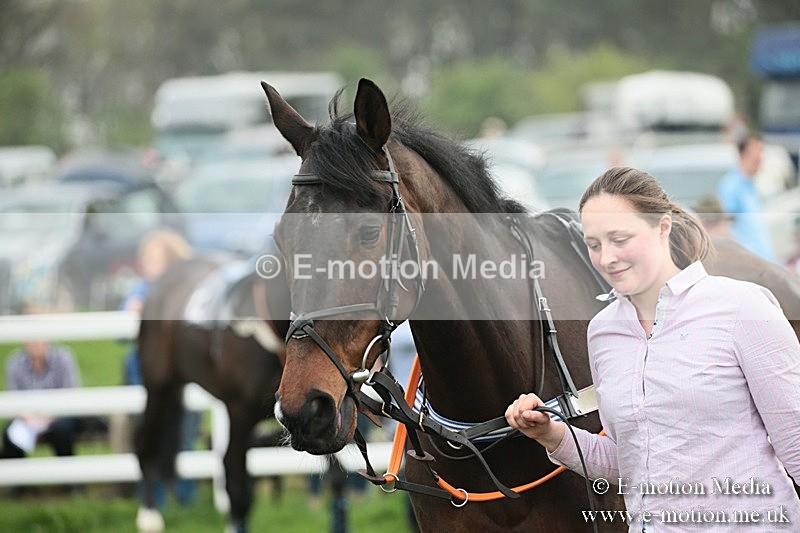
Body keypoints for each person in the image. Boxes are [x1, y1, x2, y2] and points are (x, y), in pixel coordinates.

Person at [506, 166, 800, 532]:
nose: (606, 258)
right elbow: (630, 460)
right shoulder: (602, 332)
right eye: (594, 245)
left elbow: (796, 442)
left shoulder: (742, 308)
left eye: (619, 238)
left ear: (662, 227)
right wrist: (551, 434)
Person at [112, 229, 198, 506]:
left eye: (152, 258)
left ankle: (185, 500)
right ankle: (153, 499)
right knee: (149, 434)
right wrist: (133, 313)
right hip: (143, 377)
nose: (145, 264)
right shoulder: (139, 291)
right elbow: (120, 333)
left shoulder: (185, 292)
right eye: (144, 258)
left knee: (183, 434)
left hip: (182, 376)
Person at [1, 340, 81, 461]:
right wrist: (29, 419)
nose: (35, 345)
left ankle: (70, 477)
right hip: (26, 418)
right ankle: (17, 478)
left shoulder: (63, 357)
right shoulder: (15, 362)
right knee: (10, 435)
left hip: (58, 415)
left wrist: (47, 416)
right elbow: (13, 396)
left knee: (62, 430)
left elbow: (70, 392)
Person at [716, 134, 777, 261]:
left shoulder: (750, 185)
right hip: (750, 263)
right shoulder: (731, 185)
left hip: (763, 261)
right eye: (756, 155)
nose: (761, 159)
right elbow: (724, 227)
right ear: (742, 154)